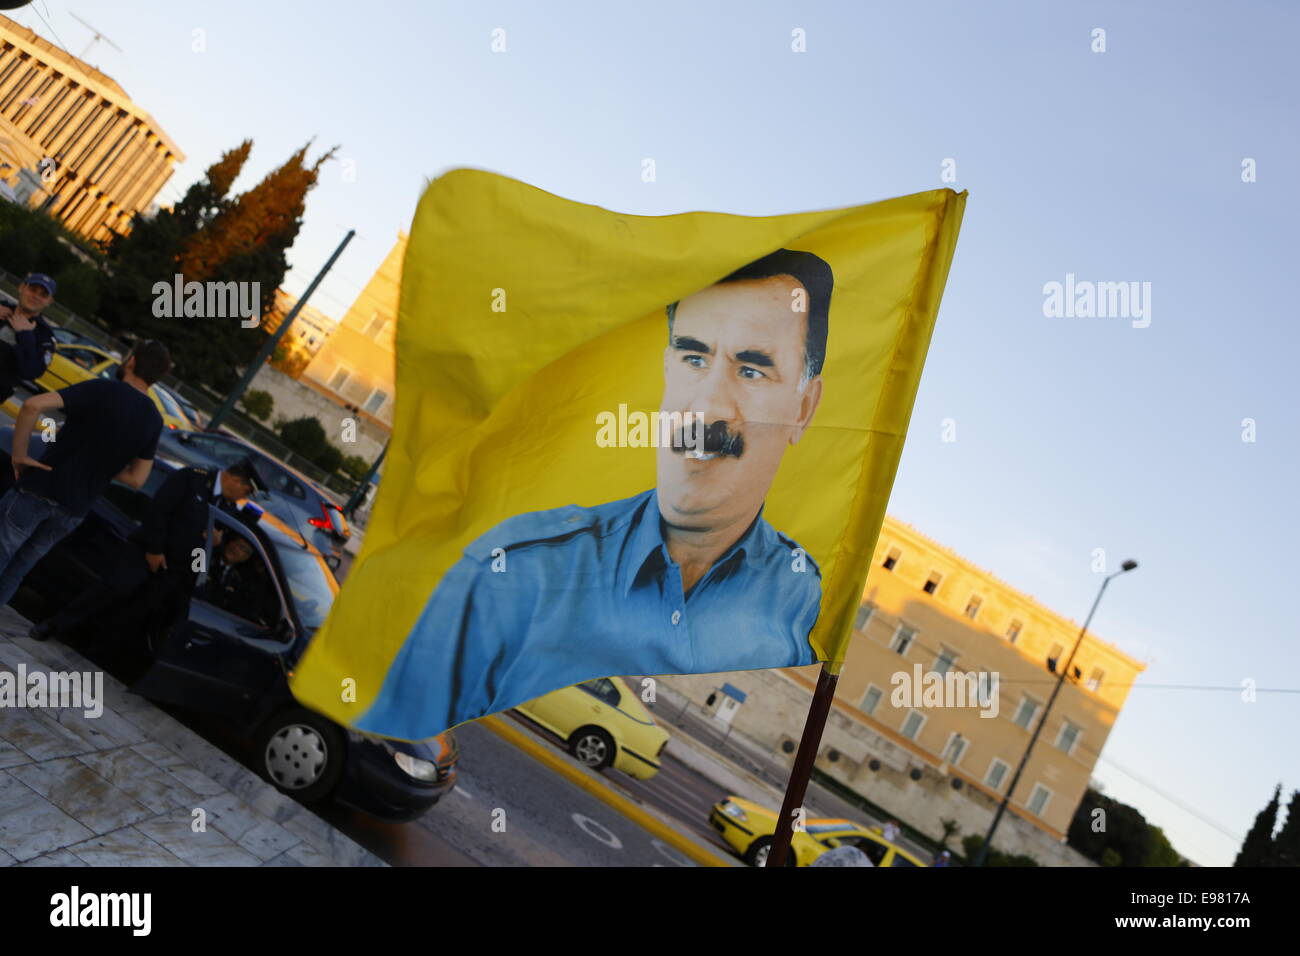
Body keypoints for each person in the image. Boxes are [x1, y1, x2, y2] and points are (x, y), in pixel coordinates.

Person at [356, 249, 834, 739]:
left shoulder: (800, 593)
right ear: (667, 368)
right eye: (694, 358)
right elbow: (390, 729)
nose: (707, 405)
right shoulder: (515, 569)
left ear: (804, 406)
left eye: (751, 370)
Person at [0, 340, 170, 608]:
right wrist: (102, 467)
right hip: (75, 508)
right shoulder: (154, 420)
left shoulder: (103, 389)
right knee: (18, 569)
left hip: (42, 487)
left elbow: (33, 405)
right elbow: (137, 479)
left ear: (132, 361)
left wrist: (19, 455)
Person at [28, 456, 265, 642]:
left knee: (136, 613)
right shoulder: (192, 478)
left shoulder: (225, 505)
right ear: (237, 481)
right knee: (112, 590)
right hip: (145, 552)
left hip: (173, 569)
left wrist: (202, 562)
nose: (243, 498)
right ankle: (55, 625)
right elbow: (158, 512)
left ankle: (94, 647)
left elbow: (202, 548)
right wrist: (154, 551)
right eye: (246, 492)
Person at [0, 273, 58, 404]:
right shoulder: (1, 308)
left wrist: (25, 335)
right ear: (21, 287)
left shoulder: (44, 336)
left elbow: (32, 372)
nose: (36, 296)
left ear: (49, 301)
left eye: (43, 295)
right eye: (32, 289)